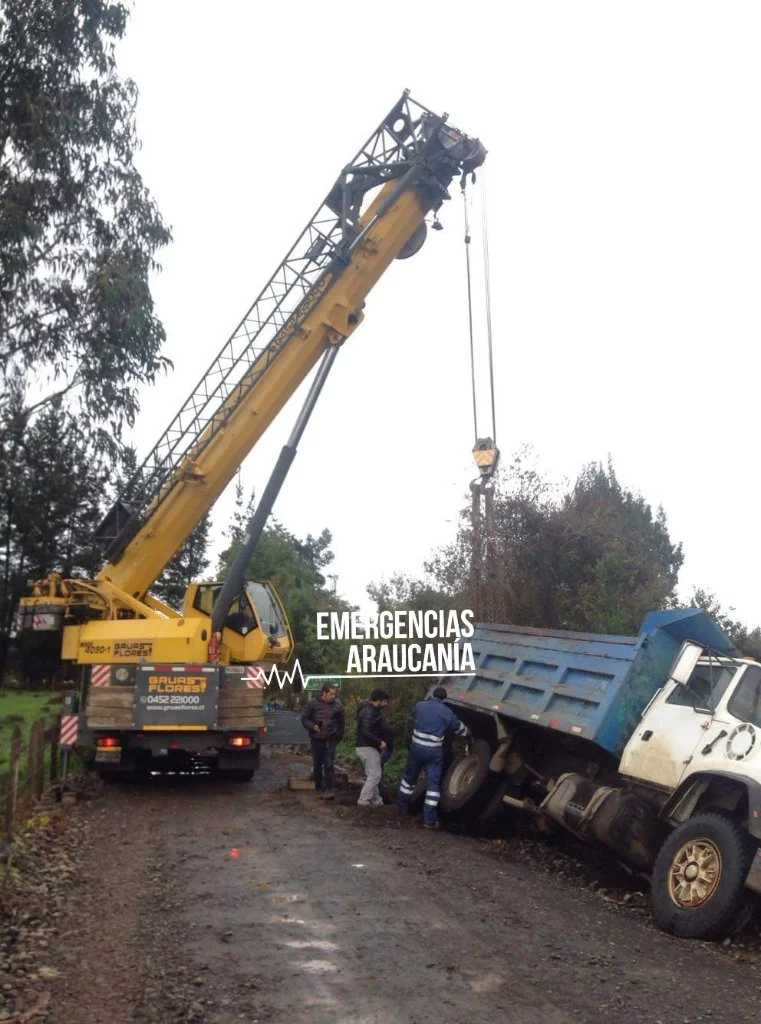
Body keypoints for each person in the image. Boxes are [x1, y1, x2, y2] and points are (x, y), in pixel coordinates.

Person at [397, 685, 468, 829]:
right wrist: (468, 733)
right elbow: (460, 729)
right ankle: (429, 821)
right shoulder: (446, 712)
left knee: (408, 780)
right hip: (433, 753)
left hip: (416, 749)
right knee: (433, 786)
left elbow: (414, 716)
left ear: (432, 695)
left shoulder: (419, 706)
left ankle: (401, 810)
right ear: (444, 699)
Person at [301, 683, 345, 800]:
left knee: (329, 765)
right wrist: (313, 726)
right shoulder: (312, 703)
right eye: (331, 694)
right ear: (324, 693)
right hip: (316, 739)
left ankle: (329, 790)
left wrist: (337, 738)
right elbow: (304, 718)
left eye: (335, 694)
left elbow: (342, 723)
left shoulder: (338, 705)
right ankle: (319, 789)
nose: (333, 696)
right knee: (317, 765)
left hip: (331, 739)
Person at [355, 689, 391, 806]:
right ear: (379, 700)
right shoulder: (369, 712)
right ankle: (363, 800)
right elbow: (365, 731)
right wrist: (379, 741)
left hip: (368, 746)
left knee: (373, 774)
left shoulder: (373, 711)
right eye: (385, 701)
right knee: (375, 775)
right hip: (367, 747)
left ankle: (376, 800)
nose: (386, 704)